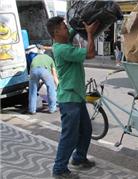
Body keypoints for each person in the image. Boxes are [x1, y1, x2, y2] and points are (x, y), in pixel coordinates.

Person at [46, 16, 99, 179]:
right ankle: (59, 169)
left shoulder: (63, 40)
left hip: (76, 97)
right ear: (56, 32)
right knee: (70, 135)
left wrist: (80, 20)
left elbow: (73, 30)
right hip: (69, 100)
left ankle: (79, 158)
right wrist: (90, 34)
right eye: (63, 27)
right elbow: (91, 53)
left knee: (86, 130)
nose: (66, 28)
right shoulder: (62, 49)